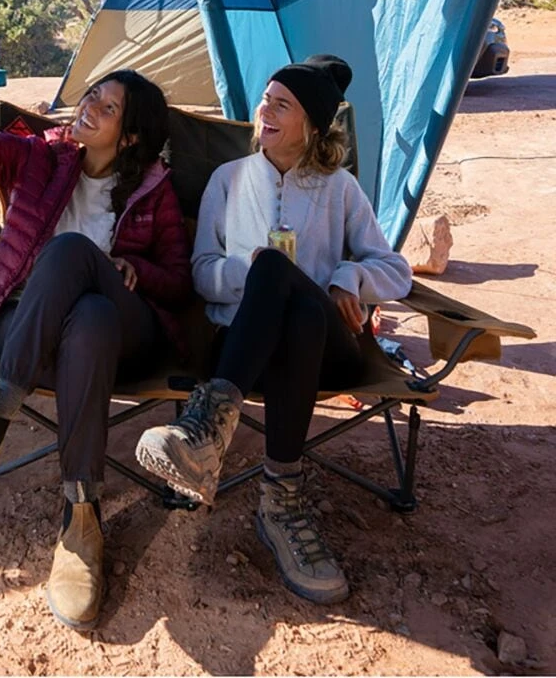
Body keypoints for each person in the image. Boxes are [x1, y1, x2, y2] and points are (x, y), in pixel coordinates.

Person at [0, 56, 193, 631]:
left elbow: (180, 281)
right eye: (92, 96)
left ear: (130, 136)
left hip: (126, 340)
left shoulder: (154, 190)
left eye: (108, 108)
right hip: (29, 328)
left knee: (80, 273)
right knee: (88, 314)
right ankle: (81, 518)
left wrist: (136, 270)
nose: (88, 108)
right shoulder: (38, 158)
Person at [135, 54, 412, 604]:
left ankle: (207, 430)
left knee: (296, 295)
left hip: (330, 355)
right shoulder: (227, 180)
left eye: (281, 105)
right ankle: (282, 503)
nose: (264, 111)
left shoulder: (339, 188)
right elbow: (201, 272)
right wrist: (253, 274)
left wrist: (349, 277)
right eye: (265, 99)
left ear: (312, 125)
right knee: (283, 294)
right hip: (243, 348)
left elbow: (396, 270)